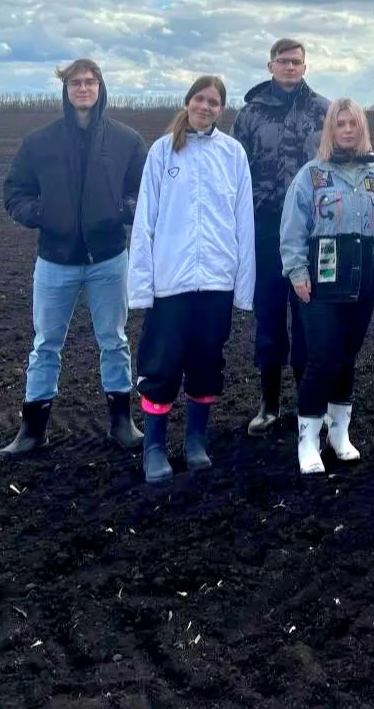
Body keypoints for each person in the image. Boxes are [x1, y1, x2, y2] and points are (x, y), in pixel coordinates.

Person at [0, 58, 148, 460]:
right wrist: (41, 214)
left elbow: (145, 192)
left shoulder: (126, 140)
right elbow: (15, 191)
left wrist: (122, 210)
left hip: (108, 259)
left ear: (100, 87)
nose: (83, 88)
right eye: (75, 82)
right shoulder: (39, 142)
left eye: (90, 82)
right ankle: (32, 430)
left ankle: (122, 423)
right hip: (55, 260)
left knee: (114, 340)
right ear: (66, 90)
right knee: (45, 344)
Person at [128, 76, 255, 484]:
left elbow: (244, 222)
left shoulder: (232, 154)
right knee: (161, 365)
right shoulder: (163, 152)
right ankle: (154, 447)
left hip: (216, 281)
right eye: (200, 99)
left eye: (214, 102)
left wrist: (243, 287)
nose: (205, 107)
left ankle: (196, 440)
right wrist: (141, 286)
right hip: (171, 282)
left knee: (206, 363)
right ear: (188, 102)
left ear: (222, 109)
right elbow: (144, 221)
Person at [280, 98, 374, 475]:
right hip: (321, 285)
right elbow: (293, 228)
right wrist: (297, 271)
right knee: (322, 358)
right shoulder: (311, 176)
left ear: (362, 128)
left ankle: (339, 435)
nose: (347, 130)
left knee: (347, 358)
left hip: (363, 285)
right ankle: (308, 442)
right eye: (340, 124)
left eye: (353, 123)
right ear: (330, 131)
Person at [232, 39, 329, 435]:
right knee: (269, 317)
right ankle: (269, 404)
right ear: (270, 65)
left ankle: (308, 404)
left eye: (296, 62)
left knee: (309, 316)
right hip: (266, 229)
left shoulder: (323, 110)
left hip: (312, 230)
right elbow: (236, 172)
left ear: (305, 66)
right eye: (283, 61)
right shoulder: (250, 115)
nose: (290, 67)